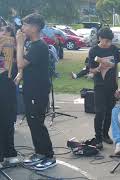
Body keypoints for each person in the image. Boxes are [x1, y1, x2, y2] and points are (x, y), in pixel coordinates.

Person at [15, 13, 56, 170]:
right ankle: (39, 152)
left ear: (35, 27)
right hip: (30, 88)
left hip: (37, 91)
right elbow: (26, 67)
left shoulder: (39, 46)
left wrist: (19, 44)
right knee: (32, 122)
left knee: (37, 123)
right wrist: (20, 75)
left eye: (25, 25)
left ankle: (49, 155)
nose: (22, 28)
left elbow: (21, 63)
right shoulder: (32, 44)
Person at [88, 27, 120, 149]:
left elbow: (116, 67)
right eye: (105, 41)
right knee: (100, 111)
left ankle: (105, 134)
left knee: (109, 111)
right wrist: (98, 68)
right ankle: (98, 137)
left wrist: (117, 84)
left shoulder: (114, 49)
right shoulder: (93, 51)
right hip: (99, 85)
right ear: (99, 38)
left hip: (111, 85)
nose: (107, 44)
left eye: (109, 41)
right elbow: (90, 69)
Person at [0, 25, 19, 167]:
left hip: (8, 87)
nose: (3, 34)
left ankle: (9, 153)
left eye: (5, 31)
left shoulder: (14, 46)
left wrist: (19, 44)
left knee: (7, 121)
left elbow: (22, 65)